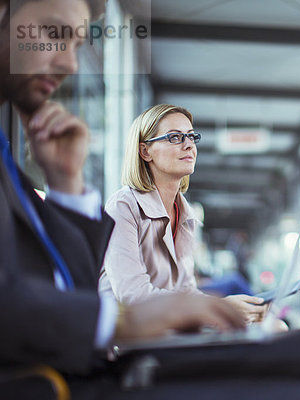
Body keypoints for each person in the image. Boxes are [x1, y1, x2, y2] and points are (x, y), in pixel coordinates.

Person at [0, 0, 246, 392]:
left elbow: (70, 284)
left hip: (71, 367)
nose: (70, 65)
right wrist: (119, 320)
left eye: (77, 45)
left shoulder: (6, 160)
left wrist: (66, 184)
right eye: (53, 33)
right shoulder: (123, 205)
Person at [98, 104, 266, 324]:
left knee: (274, 328)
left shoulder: (185, 214)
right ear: (145, 151)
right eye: (175, 138)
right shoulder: (123, 207)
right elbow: (133, 297)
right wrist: (218, 306)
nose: (189, 145)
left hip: (171, 333)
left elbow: (186, 291)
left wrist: (228, 311)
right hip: (132, 341)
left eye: (191, 136)